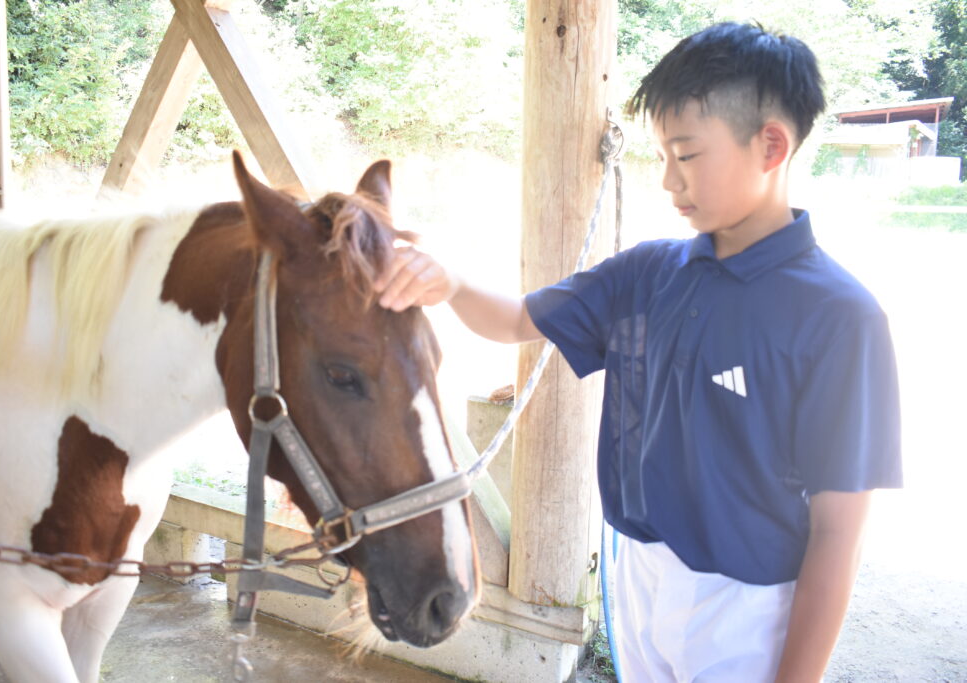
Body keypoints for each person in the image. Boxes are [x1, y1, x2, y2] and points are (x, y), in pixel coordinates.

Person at [374, 21, 902, 682]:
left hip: (748, 610)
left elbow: (838, 535)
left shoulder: (839, 318)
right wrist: (448, 280)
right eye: (661, 155)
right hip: (641, 580)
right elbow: (514, 320)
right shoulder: (647, 274)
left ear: (770, 145)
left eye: (686, 155)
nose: (667, 181)